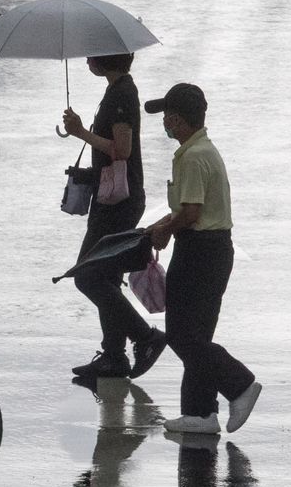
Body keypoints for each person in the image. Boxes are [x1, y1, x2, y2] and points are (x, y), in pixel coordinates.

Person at [143, 83, 261, 434]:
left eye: (167, 116)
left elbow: (192, 212)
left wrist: (166, 228)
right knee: (198, 334)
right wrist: (164, 222)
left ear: (178, 120)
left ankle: (239, 385)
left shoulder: (194, 157)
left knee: (182, 335)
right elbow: (191, 208)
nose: (164, 122)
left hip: (200, 251)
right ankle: (200, 413)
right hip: (211, 248)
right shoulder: (200, 151)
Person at [62, 53, 166, 382]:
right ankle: (114, 356)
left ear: (103, 59)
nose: (86, 61)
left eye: (91, 55)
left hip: (120, 202)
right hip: (111, 197)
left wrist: (80, 132)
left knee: (88, 275)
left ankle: (145, 338)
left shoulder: (122, 94)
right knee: (105, 278)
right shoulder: (116, 89)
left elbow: (123, 149)